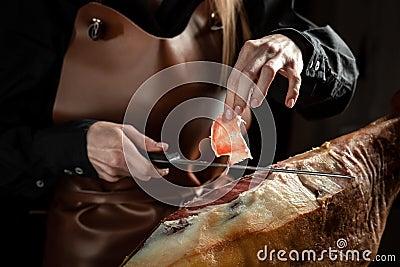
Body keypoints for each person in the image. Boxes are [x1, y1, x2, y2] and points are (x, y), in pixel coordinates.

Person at [0, 0, 358, 266]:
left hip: (220, 244)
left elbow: (340, 85)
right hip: (85, 248)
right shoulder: (38, 11)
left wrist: (296, 46)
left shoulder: (241, 6)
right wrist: (76, 148)